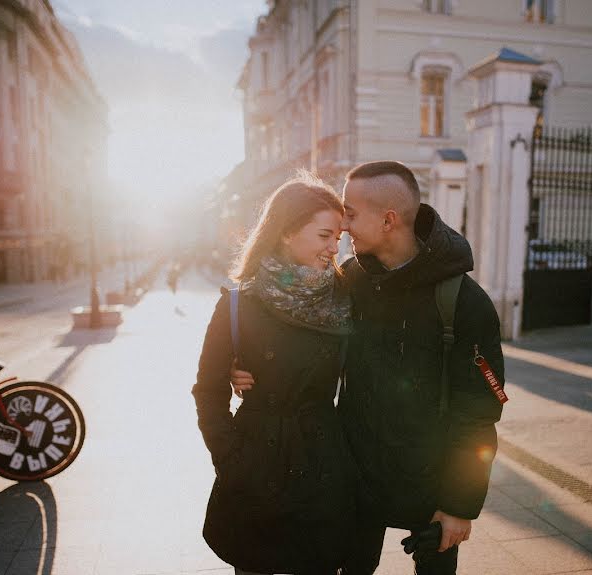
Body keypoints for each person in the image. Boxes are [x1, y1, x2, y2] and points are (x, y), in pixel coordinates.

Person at [232, 161, 505, 574]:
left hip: (431, 486)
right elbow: (297, 338)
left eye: (351, 212)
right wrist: (243, 366)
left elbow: (479, 412)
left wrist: (458, 505)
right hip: (354, 481)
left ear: (389, 219)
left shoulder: (463, 302)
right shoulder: (351, 280)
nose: (343, 222)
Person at [192, 172, 357, 575]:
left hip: (321, 462)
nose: (334, 248)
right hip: (255, 461)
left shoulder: (348, 295)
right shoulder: (237, 305)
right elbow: (207, 391)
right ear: (285, 232)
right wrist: (230, 458)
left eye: (338, 237)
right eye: (324, 236)